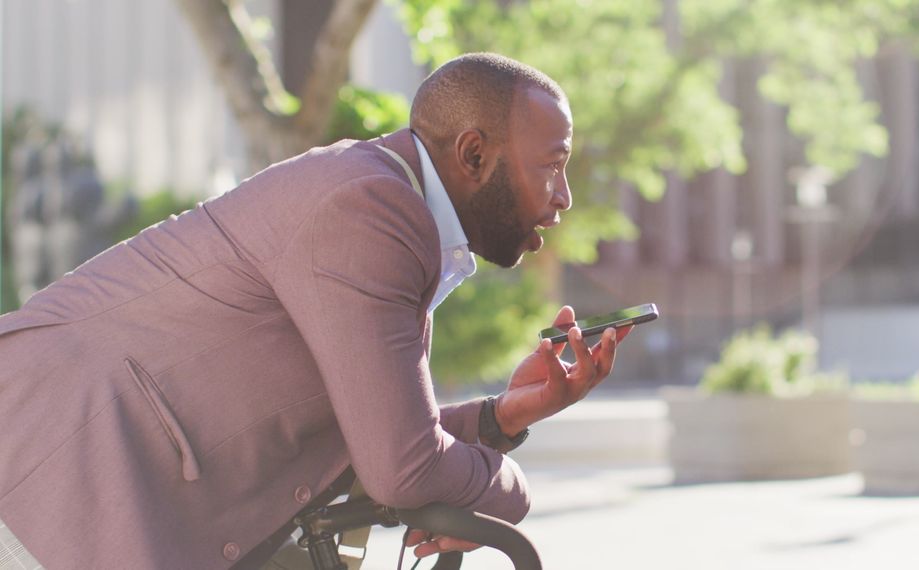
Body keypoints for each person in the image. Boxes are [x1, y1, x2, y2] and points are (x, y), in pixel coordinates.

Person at [0, 53, 631, 569]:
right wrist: (508, 488)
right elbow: (404, 468)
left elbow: (374, 433)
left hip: (89, 481)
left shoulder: (386, 203)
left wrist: (500, 418)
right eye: (552, 166)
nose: (565, 196)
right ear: (472, 156)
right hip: (53, 467)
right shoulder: (370, 211)